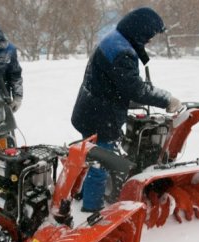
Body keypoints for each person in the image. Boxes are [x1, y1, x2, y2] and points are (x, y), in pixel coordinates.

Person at [71, 7, 182, 212]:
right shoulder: (122, 52)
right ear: (139, 30)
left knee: (94, 158)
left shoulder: (116, 40)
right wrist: (166, 99)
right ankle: (91, 212)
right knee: (101, 164)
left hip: (90, 110)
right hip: (100, 117)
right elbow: (134, 88)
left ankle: (84, 196)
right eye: (149, 35)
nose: (149, 40)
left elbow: (113, 82)